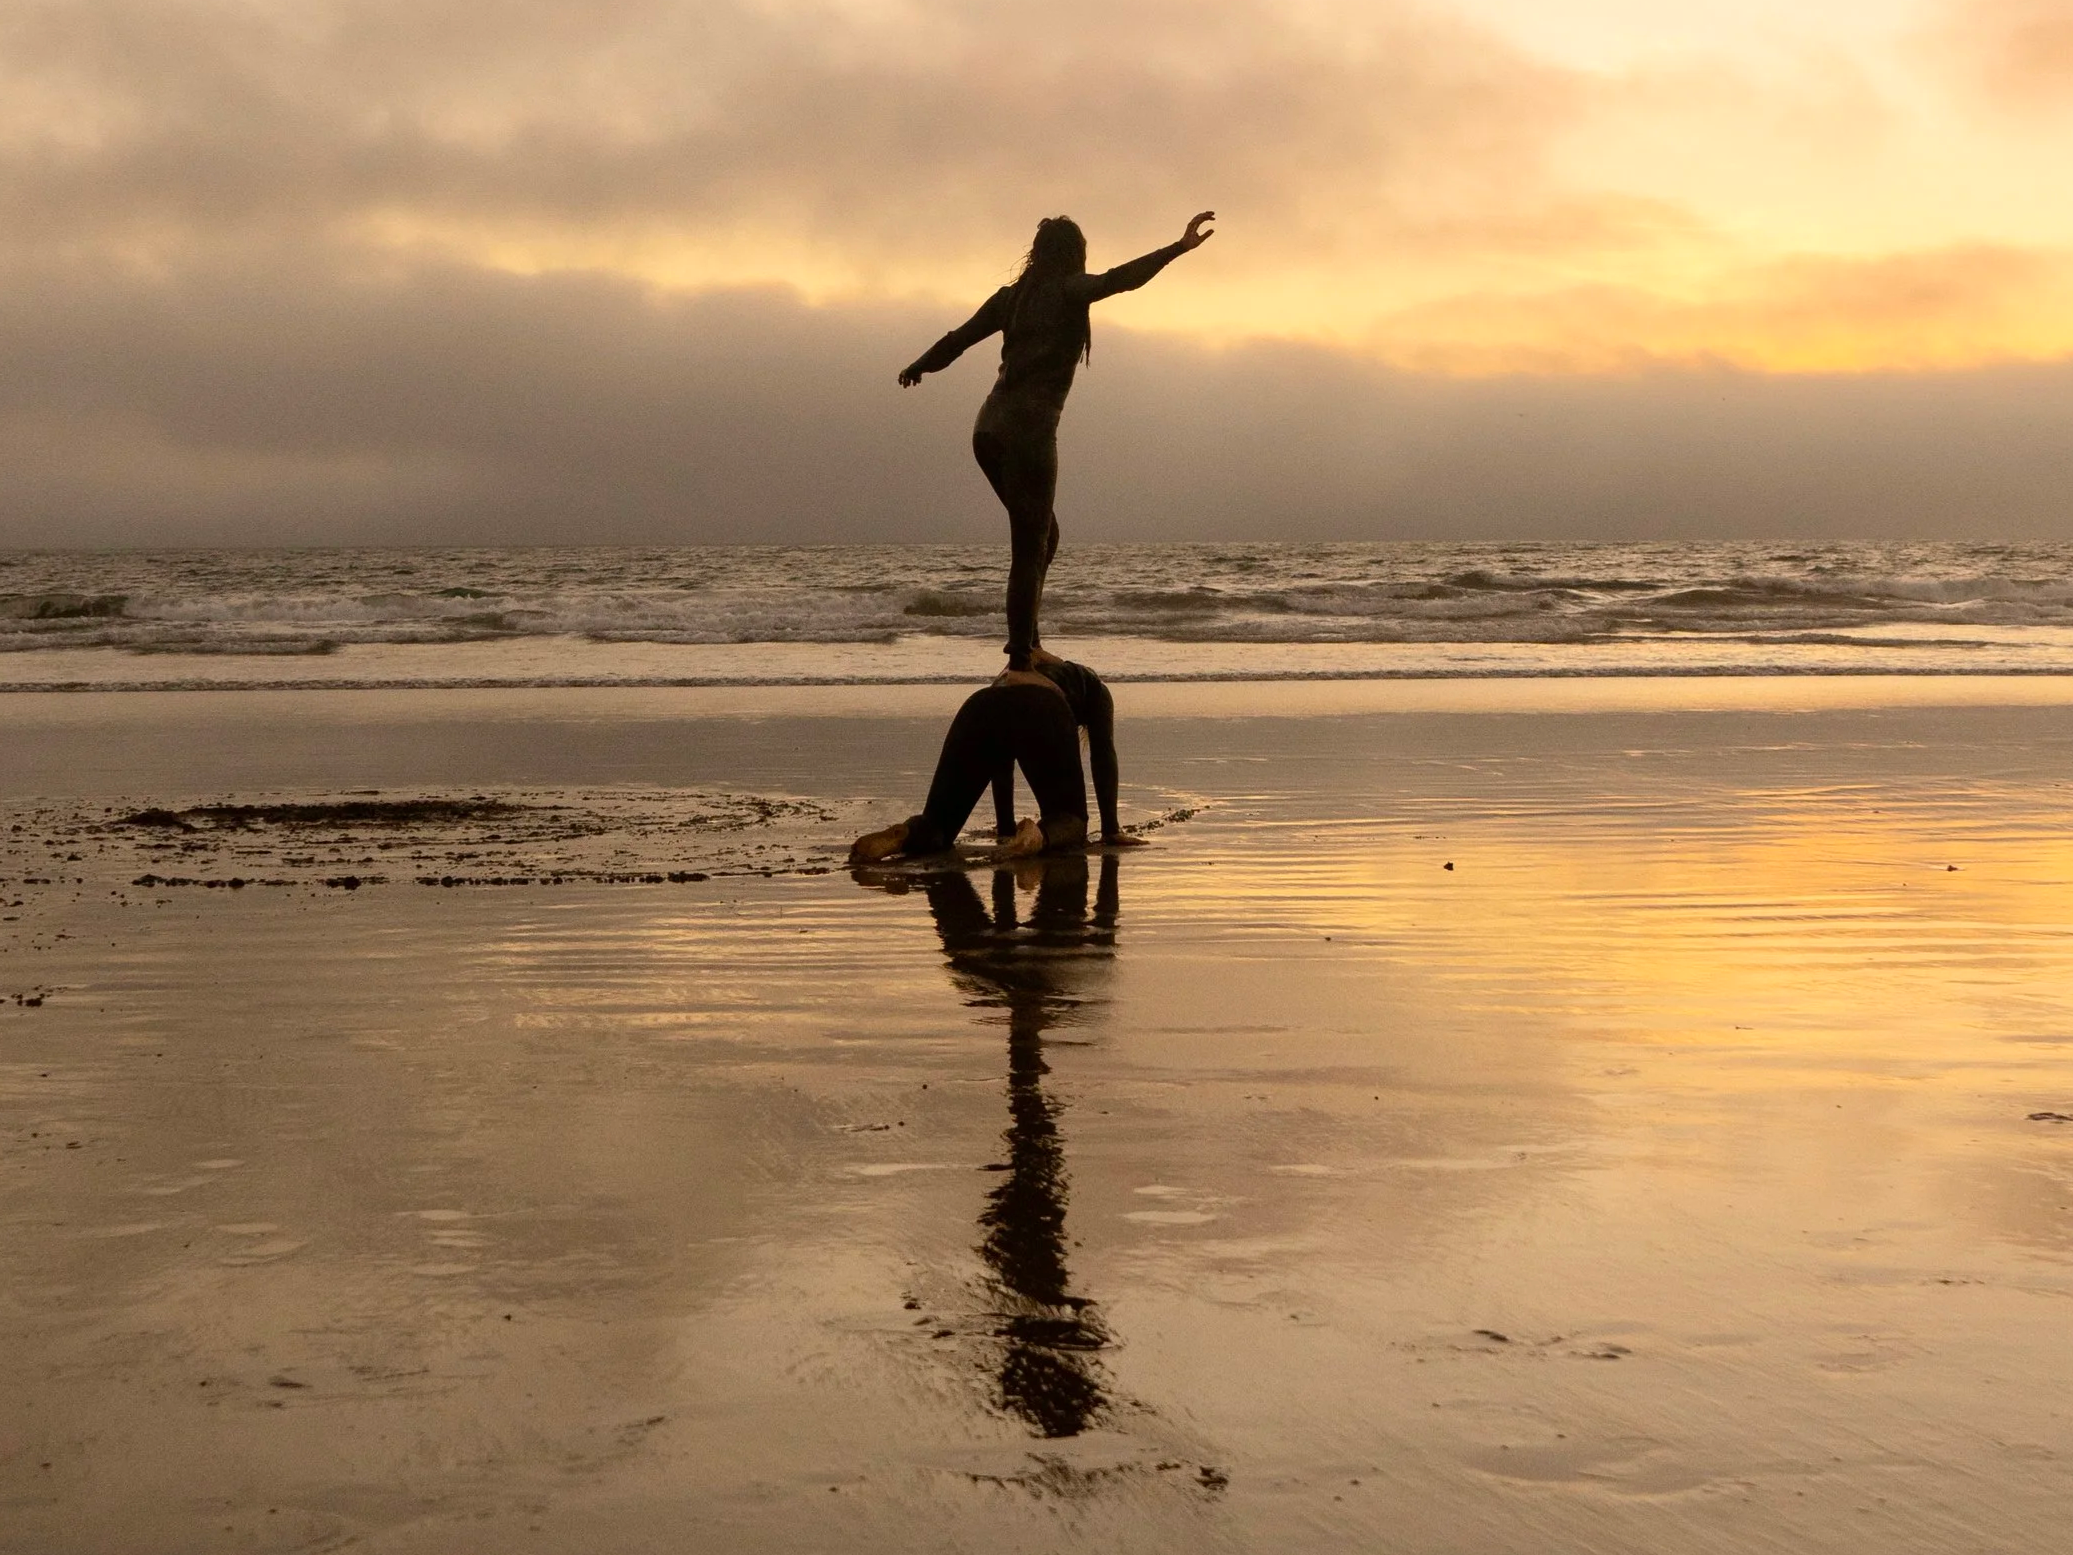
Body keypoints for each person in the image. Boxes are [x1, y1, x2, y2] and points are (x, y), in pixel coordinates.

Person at [897, 212, 1217, 671]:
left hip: (987, 431)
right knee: (1030, 547)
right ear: (1074, 255)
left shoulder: (1010, 299)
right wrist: (1177, 248)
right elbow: (1119, 280)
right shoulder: (1069, 290)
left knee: (1044, 537)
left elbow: (958, 340)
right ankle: (1020, 657)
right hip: (1028, 434)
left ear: (1037, 253)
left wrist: (919, 365)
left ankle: (1029, 642)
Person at [849, 659, 1140, 863]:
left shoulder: (1015, 674)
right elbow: (1104, 756)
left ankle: (904, 834)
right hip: (1042, 706)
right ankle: (1037, 836)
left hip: (981, 703)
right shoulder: (1096, 689)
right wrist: (1110, 829)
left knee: (937, 826)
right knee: (1070, 820)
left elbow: (1001, 758)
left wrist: (1005, 827)